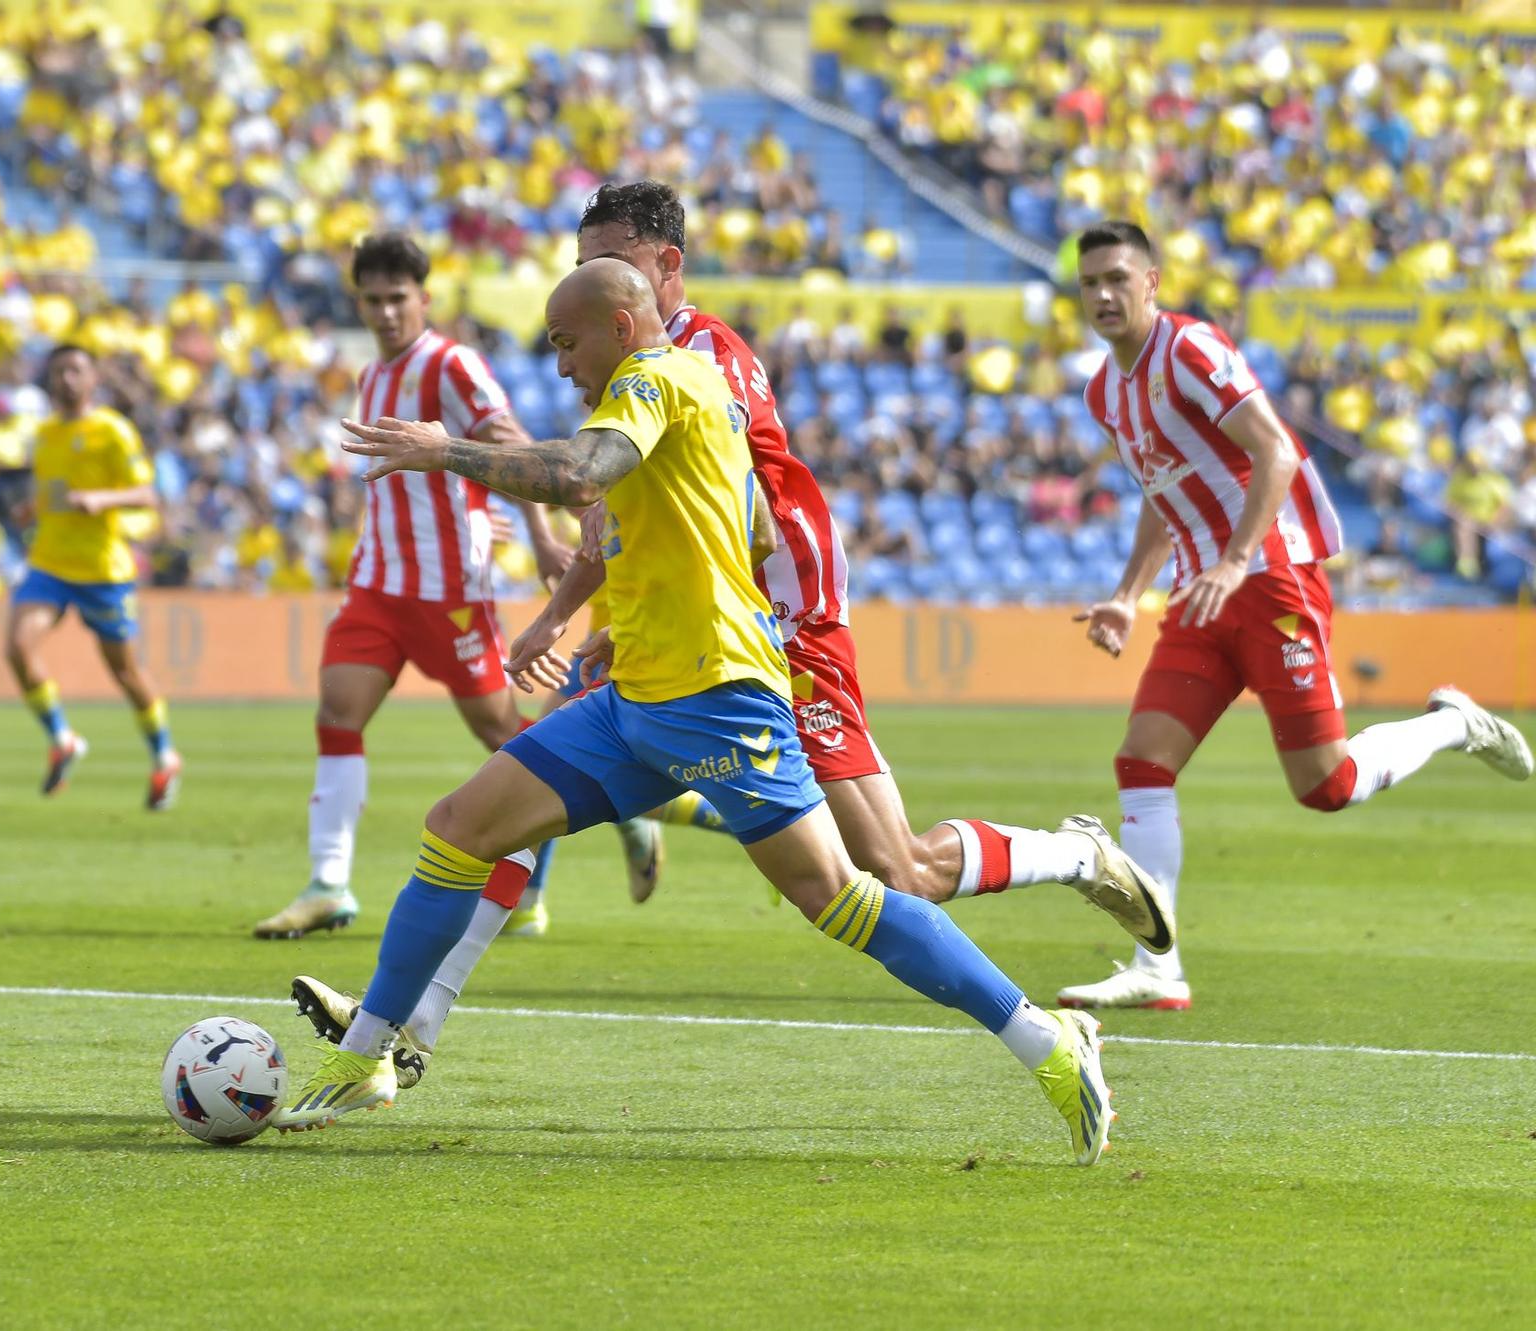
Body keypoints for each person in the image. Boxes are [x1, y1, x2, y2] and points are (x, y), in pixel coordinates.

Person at [286, 183, 1172, 1088]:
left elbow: (701, 506)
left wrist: (594, 587)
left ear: (663, 269)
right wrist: (592, 613)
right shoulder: (632, 366)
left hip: (779, 623)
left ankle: (1073, 858)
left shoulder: (699, 360)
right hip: (681, 636)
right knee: (494, 802)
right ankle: (407, 1027)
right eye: (582, 260)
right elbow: (641, 509)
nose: (590, 280)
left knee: (891, 869)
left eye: (613, 261)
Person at [1061, 219, 1532, 1011]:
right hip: (1200, 595)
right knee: (1143, 761)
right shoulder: (1104, 390)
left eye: (1118, 277)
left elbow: (1277, 450)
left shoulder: (1192, 350)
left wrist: (1237, 558)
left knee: (1327, 784)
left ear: (1153, 282)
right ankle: (1158, 966)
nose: (1103, 294)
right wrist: (1126, 591)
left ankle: (1453, 724)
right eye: (1089, 283)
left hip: (1271, 576)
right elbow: (1159, 489)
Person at [250, 234, 573, 940]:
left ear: (423, 299)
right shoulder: (372, 376)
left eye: (400, 298)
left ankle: (576, 849)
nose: (388, 311)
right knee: (338, 711)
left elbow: (512, 441)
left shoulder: (451, 364)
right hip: (377, 584)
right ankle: (329, 883)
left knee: (505, 738)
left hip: (448, 591)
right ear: (359, 304)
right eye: (374, 300)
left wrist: (544, 534)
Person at [4, 344, 182, 811]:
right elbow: (50, 495)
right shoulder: (44, 435)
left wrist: (101, 500)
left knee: (124, 672)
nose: (66, 379)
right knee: (18, 648)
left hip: (103, 570)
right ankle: (61, 738)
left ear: (92, 379)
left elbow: (147, 495)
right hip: (49, 563)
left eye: (75, 370)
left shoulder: (112, 431)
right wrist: (31, 510)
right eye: (58, 370)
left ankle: (164, 754)